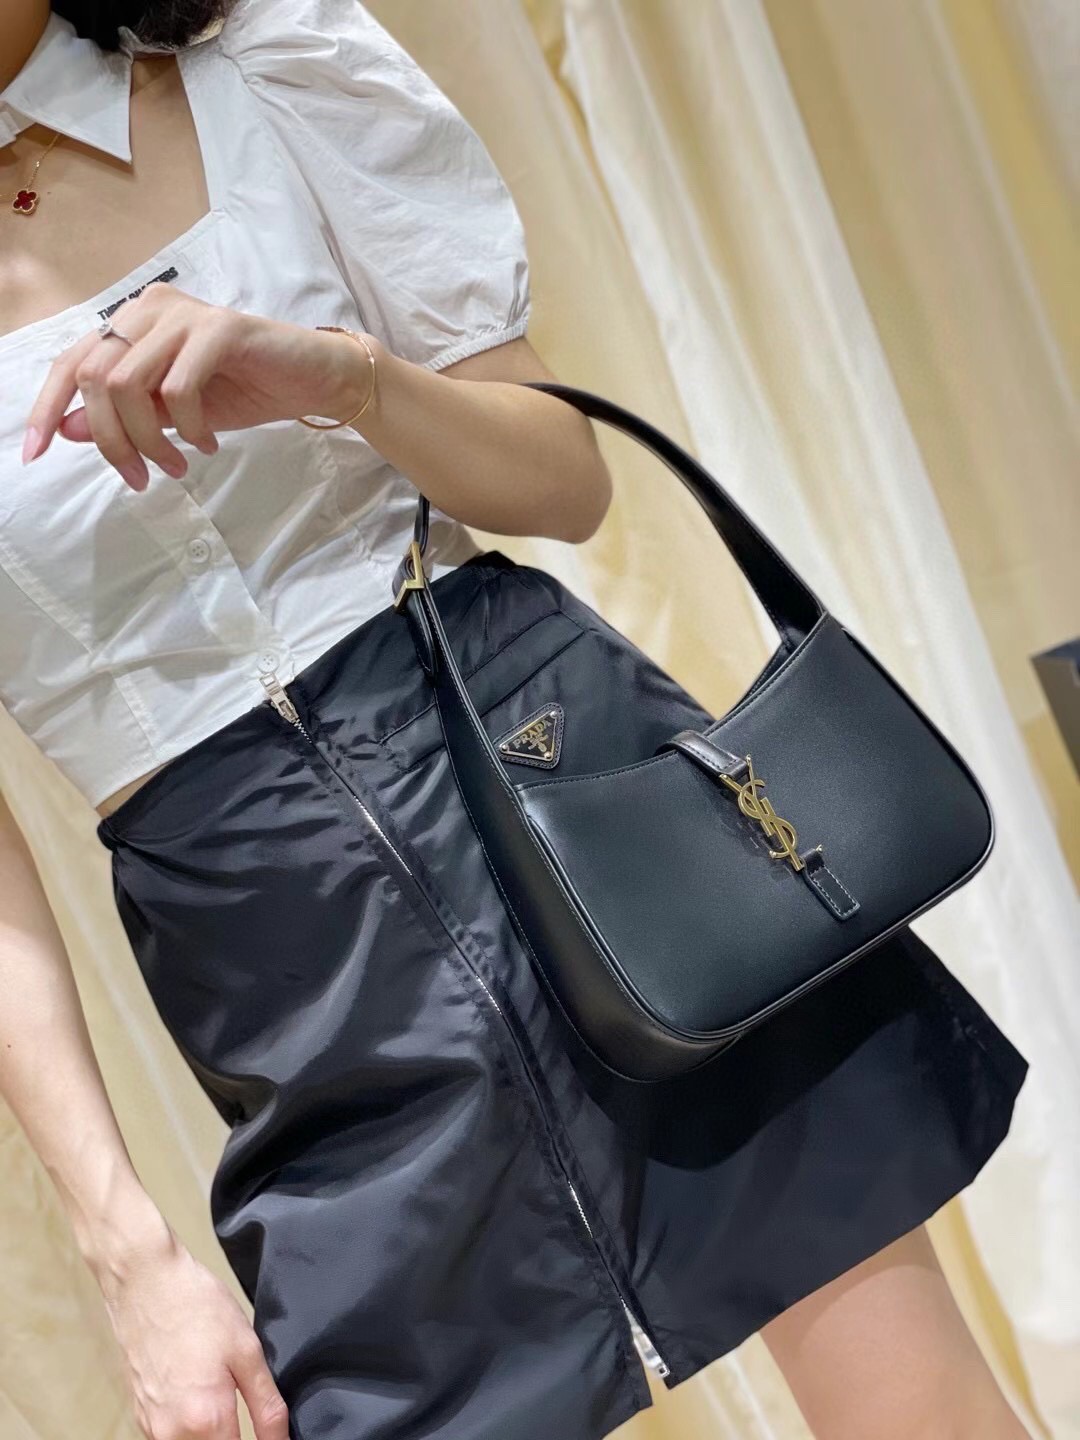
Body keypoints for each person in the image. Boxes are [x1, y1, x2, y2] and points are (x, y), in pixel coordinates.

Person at [0, 4, 1031, 1439]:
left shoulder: (267, 61)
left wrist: (344, 381)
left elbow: (565, 482)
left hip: (575, 805)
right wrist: (127, 1250)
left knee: (915, 1413)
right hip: (276, 954)